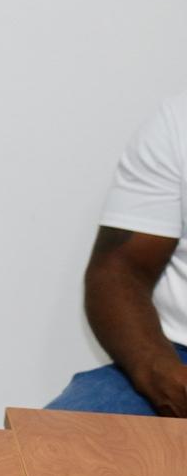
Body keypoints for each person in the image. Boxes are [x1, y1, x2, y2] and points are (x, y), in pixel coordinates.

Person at [47, 91, 187, 419]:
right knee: (55, 444)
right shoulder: (179, 119)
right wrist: (164, 377)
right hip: (178, 358)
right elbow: (120, 269)